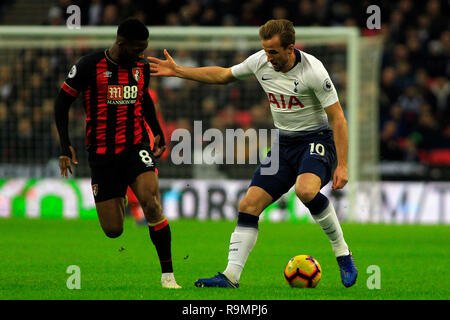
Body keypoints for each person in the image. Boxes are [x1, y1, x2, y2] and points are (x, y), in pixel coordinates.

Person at [148, 19, 357, 288]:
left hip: (316, 140)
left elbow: (338, 118)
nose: (268, 57)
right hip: (283, 144)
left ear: (290, 48)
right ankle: (230, 276)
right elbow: (223, 75)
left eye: (273, 52)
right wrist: (179, 71)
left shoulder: (313, 71)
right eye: (265, 50)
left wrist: (343, 165)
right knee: (249, 205)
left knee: (306, 191)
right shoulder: (260, 61)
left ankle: (343, 253)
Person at [54, 18, 181, 289]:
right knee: (114, 230)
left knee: (151, 201)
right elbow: (62, 102)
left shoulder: (140, 67)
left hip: (136, 147)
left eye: (144, 49)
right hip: (102, 155)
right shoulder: (88, 66)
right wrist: (65, 146)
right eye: (137, 50)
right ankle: (117, 193)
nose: (142, 55)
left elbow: (143, 96)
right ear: (121, 45)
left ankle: (168, 276)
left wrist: (156, 129)